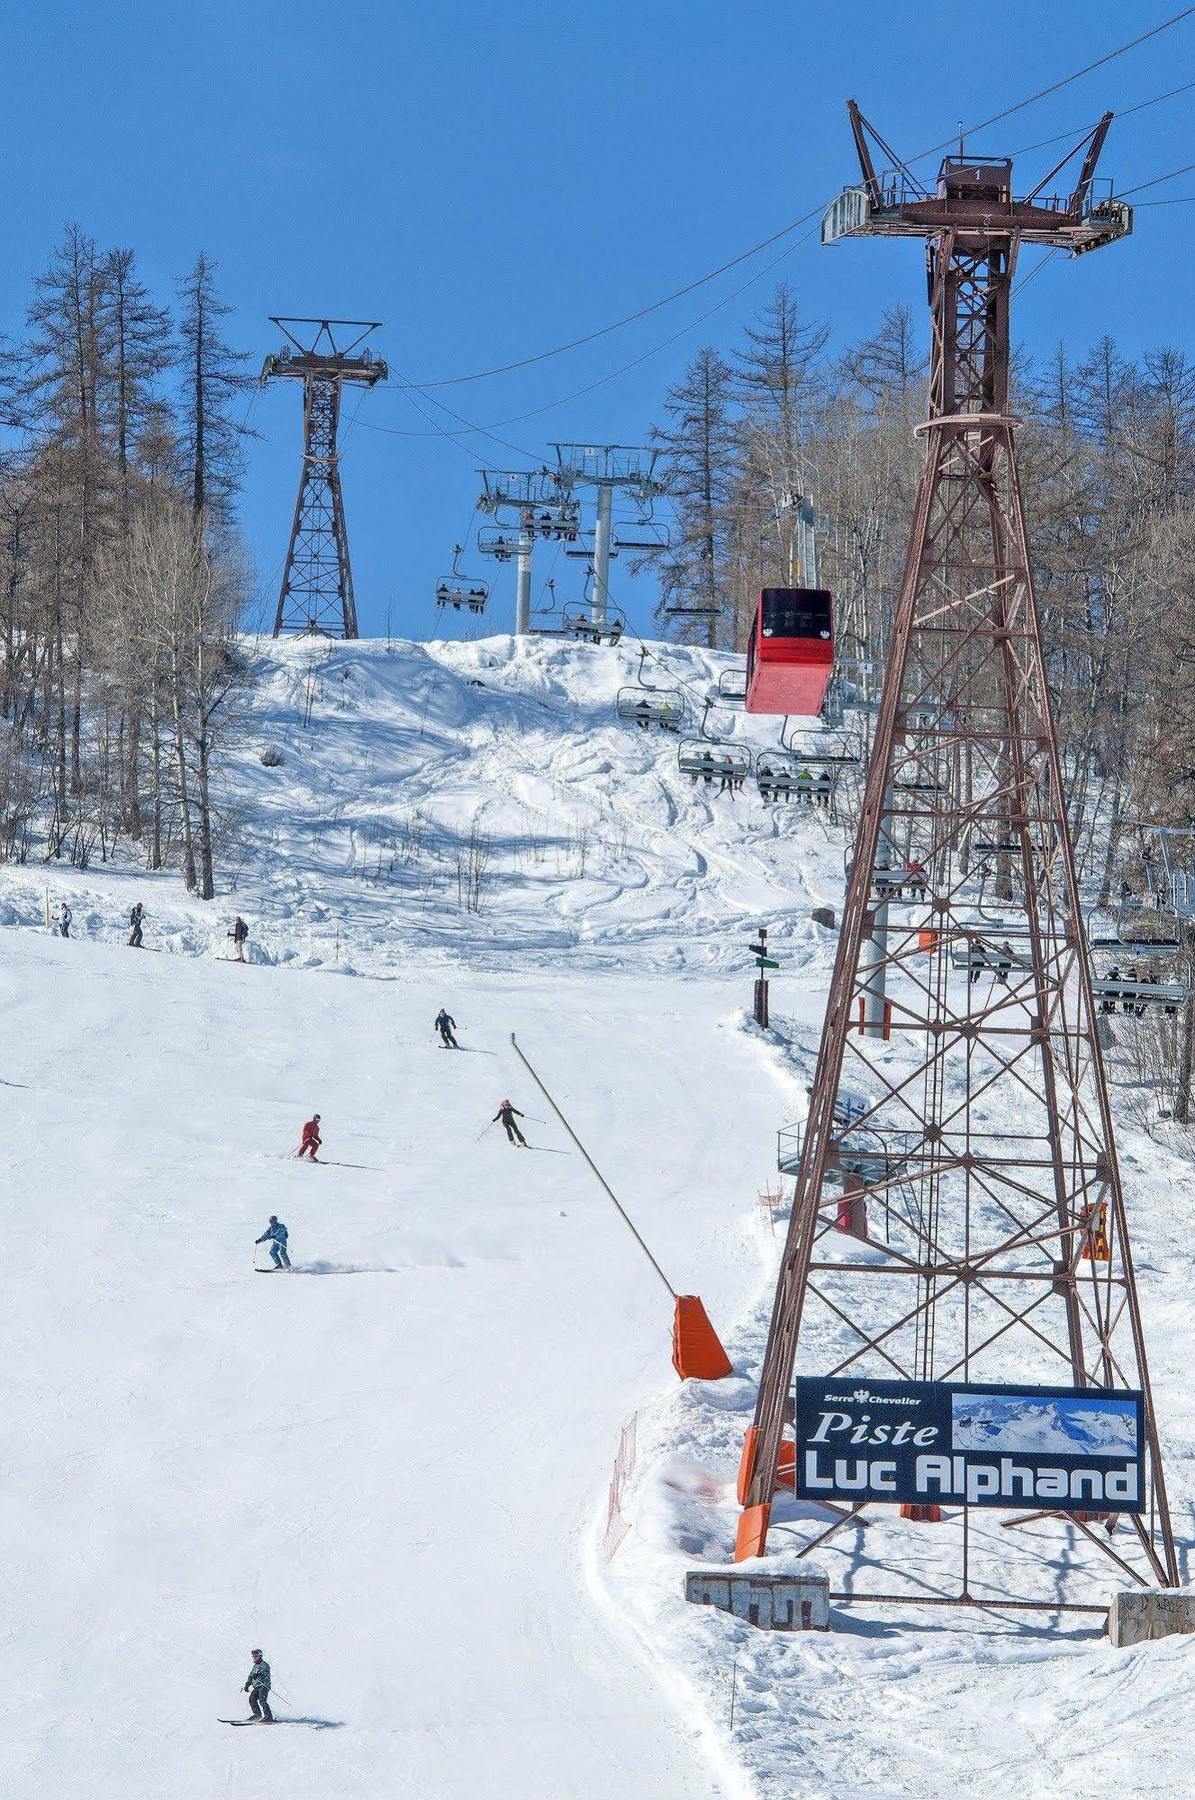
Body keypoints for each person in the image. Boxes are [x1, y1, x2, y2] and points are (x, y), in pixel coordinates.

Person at [243, 1649, 273, 1720]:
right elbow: (251, 1675)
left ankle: (268, 1716)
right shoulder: (255, 1666)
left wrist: (259, 1674)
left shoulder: (264, 1664)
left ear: (260, 1656)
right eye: (253, 1656)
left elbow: (265, 1673)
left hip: (264, 1685)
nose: (254, 1657)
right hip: (257, 1686)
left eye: (256, 1656)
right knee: (252, 1699)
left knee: (262, 1700)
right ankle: (257, 1715)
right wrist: (247, 1684)